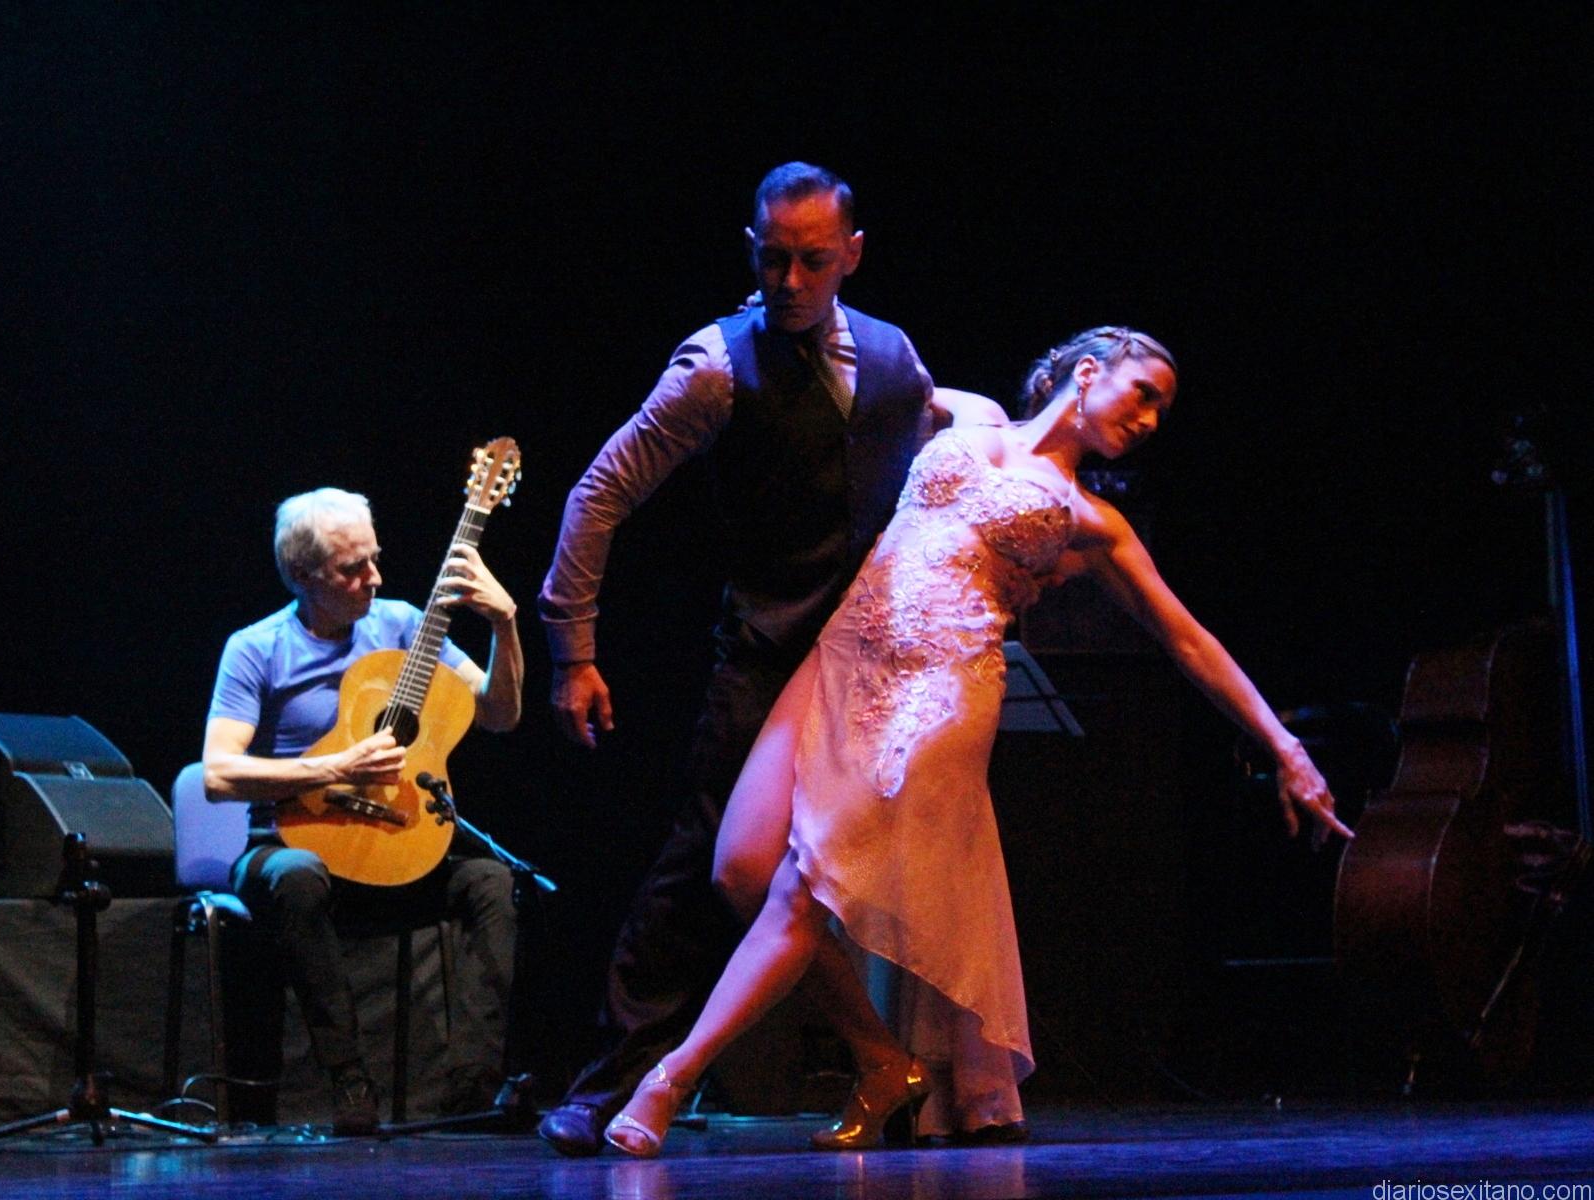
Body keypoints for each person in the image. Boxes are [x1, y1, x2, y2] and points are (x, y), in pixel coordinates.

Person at [599, 327, 1357, 1156]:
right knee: (741, 867)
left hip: (941, 692)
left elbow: (1187, 639)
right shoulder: (970, 415)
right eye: (1143, 393)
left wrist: (1285, 747)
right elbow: (862, 388)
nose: (1148, 420)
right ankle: (882, 1061)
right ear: (1088, 372)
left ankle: (667, 1080)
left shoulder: (1091, 520)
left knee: (803, 888)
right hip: (846, 652)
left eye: (1161, 413)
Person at [536, 162, 950, 1155]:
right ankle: (610, 1086)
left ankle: (897, 1066)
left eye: (812, 261)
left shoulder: (894, 360)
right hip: (766, 661)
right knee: (704, 872)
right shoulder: (715, 366)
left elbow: (935, 459)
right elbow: (598, 493)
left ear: (851, 255)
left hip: (869, 668)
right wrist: (571, 651)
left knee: (843, 882)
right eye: (772, 259)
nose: (789, 281)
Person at [202, 487, 524, 1134]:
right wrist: (336, 767)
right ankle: (348, 1080)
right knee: (297, 877)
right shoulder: (256, 648)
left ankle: (472, 1091)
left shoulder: (402, 625)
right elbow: (217, 774)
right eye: (352, 568)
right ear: (303, 576)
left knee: (491, 882)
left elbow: (499, 713)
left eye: (375, 559)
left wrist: (504, 623)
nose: (373, 578)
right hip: (287, 843)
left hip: (394, 844)